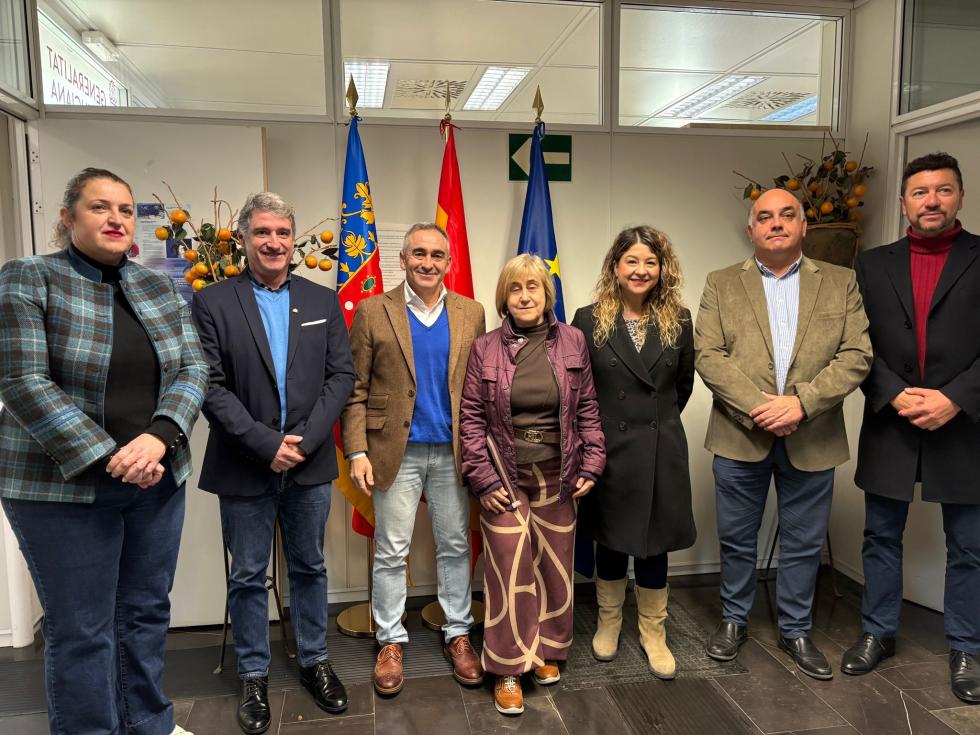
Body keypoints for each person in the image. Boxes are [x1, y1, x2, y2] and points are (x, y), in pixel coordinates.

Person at [0, 168, 207, 735]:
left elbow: (193, 369)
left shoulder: (158, 287)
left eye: (124, 209)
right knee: (83, 629)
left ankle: (148, 723)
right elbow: (23, 382)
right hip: (60, 488)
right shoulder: (29, 277)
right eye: (99, 207)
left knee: (145, 614)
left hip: (156, 480)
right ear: (68, 217)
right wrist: (112, 456)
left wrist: (159, 437)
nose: (116, 219)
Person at [191, 192, 355, 734]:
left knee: (310, 566)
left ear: (293, 239)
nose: (274, 242)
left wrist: (304, 442)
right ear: (243, 238)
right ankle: (253, 674)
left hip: (308, 464)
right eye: (262, 232)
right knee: (247, 574)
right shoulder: (213, 302)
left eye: (283, 232)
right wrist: (266, 444)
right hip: (245, 463)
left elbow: (341, 376)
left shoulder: (322, 300)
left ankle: (315, 661)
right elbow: (209, 385)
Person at [694, 188, 872, 680]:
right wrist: (761, 408)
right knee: (736, 538)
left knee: (804, 542)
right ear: (751, 229)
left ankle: (796, 630)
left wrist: (801, 404)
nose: (776, 223)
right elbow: (708, 355)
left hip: (812, 435)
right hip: (739, 435)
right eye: (765, 216)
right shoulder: (721, 283)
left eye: (787, 215)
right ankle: (734, 621)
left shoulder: (840, 282)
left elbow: (856, 355)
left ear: (803, 226)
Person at [845, 152, 980, 704]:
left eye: (943, 190)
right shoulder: (872, 265)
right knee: (880, 535)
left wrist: (956, 398)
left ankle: (967, 646)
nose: (932, 201)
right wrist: (894, 393)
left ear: (960, 197)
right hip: (892, 420)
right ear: (904, 202)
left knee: (969, 545)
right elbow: (854, 344)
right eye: (920, 192)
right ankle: (878, 631)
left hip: (965, 424)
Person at [341, 222, 486, 696]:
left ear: (449, 263)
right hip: (392, 452)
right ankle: (390, 640)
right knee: (391, 550)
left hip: (452, 451)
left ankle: (458, 633)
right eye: (418, 254)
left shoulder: (471, 312)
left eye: (437, 255)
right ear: (402, 260)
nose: (427, 262)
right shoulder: (372, 310)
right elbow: (355, 388)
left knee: (455, 546)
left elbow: (479, 386)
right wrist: (357, 450)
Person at [461, 253, 606, 715]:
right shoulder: (485, 347)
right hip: (503, 473)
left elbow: (587, 407)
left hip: (558, 471)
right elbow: (470, 419)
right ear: (504, 298)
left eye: (533, 287)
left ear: (547, 294)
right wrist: (483, 479)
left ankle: (545, 649)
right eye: (515, 288)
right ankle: (507, 667)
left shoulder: (574, 341)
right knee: (508, 566)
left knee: (553, 564)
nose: (525, 296)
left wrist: (593, 461)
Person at [571, 226, 695, 679]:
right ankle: (609, 623)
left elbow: (682, 387)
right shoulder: (587, 320)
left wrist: (655, 426)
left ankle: (653, 633)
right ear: (615, 267)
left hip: (661, 449)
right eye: (632, 261)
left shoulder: (679, 319)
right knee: (611, 539)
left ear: (662, 269)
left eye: (650, 262)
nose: (641, 270)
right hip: (608, 450)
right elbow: (580, 389)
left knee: (653, 544)